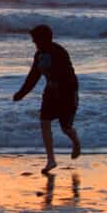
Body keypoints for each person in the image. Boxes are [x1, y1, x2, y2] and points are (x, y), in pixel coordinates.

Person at [13, 25, 81, 174]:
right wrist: (21, 93)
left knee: (65, 128)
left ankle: (75, 141)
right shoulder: (39, 55)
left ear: (45, 39)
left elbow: (68, 75)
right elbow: (33, 76)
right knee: (44, 122)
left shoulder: (59, 52)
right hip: (50, 92)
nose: (34, 43)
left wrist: (66, 91)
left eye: (36, 40)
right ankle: (51, 160)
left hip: (67, 92)